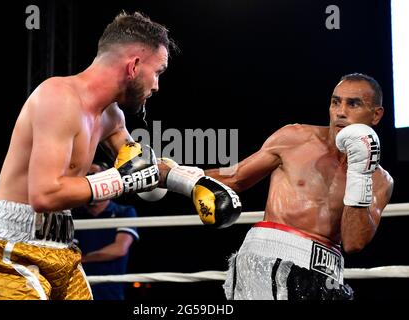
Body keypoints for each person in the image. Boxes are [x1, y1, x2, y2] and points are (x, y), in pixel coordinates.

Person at [0, 11, 241, 300]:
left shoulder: (111, 116)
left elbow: (141, 167)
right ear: (134, 66)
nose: (157, 85)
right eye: (157, 72)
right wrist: (120, 180)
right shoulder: (58, 98)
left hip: (60, 244)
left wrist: (193, 183)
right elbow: (44, 195)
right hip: (7, 248)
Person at [163, 73, 393, 300]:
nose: (341, 112)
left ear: (376, 115)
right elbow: (236, 177)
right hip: (270, 260)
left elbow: (353, 242)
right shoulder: (295, 137)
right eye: (335, 102)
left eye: (353, 104)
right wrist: (173, 175)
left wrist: (360, 172)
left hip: (328, 275)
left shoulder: (381, 181)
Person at [72, 162, 139, 300]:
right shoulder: (73, 214)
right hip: (76, 288)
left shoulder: (124, 212)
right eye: (85, 178)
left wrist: (81, 260)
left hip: (109, 290)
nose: (90, 182)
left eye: (93, 176)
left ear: (106, 183)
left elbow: (119, 249)